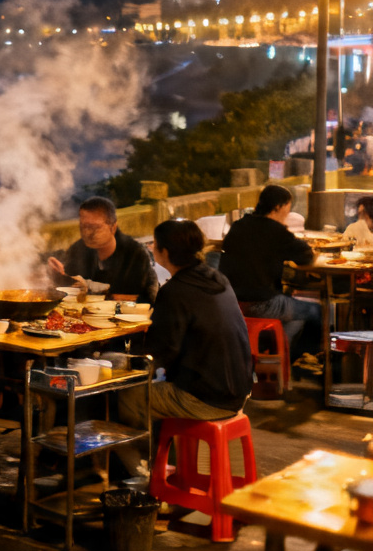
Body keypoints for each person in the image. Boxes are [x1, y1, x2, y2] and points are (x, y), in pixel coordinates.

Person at [116, 220, 253, 475]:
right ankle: (167, 465)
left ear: (164, 252)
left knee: (127, 396)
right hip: (239, 388)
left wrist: (122, 360)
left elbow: (159, 353)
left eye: (155, 244)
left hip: (207, 397)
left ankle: (144, 475)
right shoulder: (216, 277)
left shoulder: (175, 290)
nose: (153, 248)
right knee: (156, 388)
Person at [219, 183, 320, 357]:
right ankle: (298, 360)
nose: (287, 215)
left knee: (293, 315)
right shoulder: (277, 231)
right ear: (278, 207)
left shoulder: (239, 225)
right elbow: (306, 256)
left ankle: (276, 356)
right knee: (315, 311)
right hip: (260, 303)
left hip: (230, 300)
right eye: (287, 210)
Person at [47, 196, 159, 303]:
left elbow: (135, 297)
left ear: (113, 227)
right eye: (83, 227)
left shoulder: (134, 253)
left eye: (94, 227)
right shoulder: (79, 249)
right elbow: (69, 285)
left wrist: (94, 289)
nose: (87, 233)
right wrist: (58, 273)